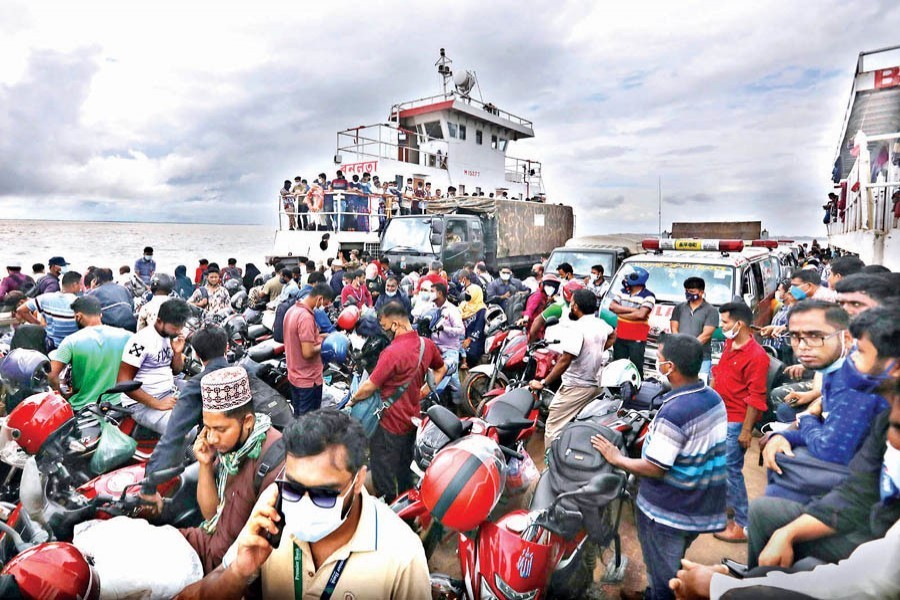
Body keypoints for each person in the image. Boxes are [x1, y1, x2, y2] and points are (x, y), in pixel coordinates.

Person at [175, 410, 430, 599]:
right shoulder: (272, 511)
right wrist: (239, 571)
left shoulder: (402, 554)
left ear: (358, 478)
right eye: (294, 488)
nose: (304, 504)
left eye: (323, 494)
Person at [593, 334, 727, 600]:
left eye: (660, 360)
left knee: (664, 575)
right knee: (670, 562)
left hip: (668, 512)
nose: (658, 364)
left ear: (672, 368)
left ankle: (658, 594)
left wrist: (616, 458)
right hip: (701, 502)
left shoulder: (674, 412)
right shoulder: (712, 397)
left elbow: (655, 467)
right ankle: (653, 592)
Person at [746, 382, 900, 574]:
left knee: (785, 466)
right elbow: (857, 493)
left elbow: (831, 446)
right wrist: (787, 533)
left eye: (860, 352)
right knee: (763, 511)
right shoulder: (885, 417)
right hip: (863, 510)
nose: (853, 359)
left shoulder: (868, 398)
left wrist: (808, 417)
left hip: (876, 540)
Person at [763, 305, 896, 500]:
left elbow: (831, 448)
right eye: (795, 337)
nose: (802, 346)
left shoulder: (854, 381)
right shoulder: (832, 371)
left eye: (815, 336)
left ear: (847, 339)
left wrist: (807, 419)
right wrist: (786, 436)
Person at [179, 366, 285, 575]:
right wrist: (205, 464)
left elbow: (262, 559)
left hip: (225, 570)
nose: (211, 438)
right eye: (207, 428)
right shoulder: (230, 451)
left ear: (247, 422)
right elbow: (211, 514)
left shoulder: (273, 467)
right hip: (205, 544)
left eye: (220, 429)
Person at [348, 302, 446, 501]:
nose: (384, 332)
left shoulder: (391, 353)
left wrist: (352, 400)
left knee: (383, 472)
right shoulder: (427, 345)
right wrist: (423, 392)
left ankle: (392, 506)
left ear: (395, 324)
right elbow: (441, 369)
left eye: (385, 327)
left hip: (388, 425)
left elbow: (370, 386)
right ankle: (407, 502)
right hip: (412, 420)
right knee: (404, 467)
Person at [143, 326, 232, 493]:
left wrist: (147, 487)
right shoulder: (243, 372)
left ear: (196, 354)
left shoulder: (198, 385)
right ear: (227, 347)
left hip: (227, 466)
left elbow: (173, 436)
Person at [711, 301, 769, 543]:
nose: (721, 326)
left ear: (740, 324)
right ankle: (728, 508)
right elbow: (719, 374)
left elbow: (756, 398)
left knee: (730, 470)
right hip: (721, 414)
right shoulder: (730, 343)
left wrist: (746, 431)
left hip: (736, 420)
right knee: (720, 467)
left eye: (724, 322)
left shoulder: (757, 356)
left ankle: (743, 524)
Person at [531, 289, 615, 445]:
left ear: (575, 306)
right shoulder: (601, 324)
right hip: (597, 384)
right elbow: (613, 335)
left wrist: (543, 383)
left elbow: (565, 360)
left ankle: (551, 464)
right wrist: (596, 350)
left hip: (576, 386)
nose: (571, 306)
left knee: (553, 425)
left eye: (572, 303)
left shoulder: (576, 329)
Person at [117, 298, 190, 434]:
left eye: (181, 327)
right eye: (175, 327)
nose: (178, 331)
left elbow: (176, 370)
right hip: (141, 404)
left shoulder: (170, 337)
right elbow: (123, 382)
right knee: (184, 430)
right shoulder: (140, 342)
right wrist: (157, 403)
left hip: (168, 392)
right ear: (159, 321)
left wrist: (177, 353)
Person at [47, 296, 132, 411]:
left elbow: (52, 375)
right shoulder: (126, 336)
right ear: (100, 314)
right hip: (118, 405)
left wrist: (64, 396)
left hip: (83, 407)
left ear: (78, 316)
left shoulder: (70, 341)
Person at [284, 283, 336, 416]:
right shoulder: (306, 317)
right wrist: (326, 345)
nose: (322, 307)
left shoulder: (292, 311)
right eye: (324, 303)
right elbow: (307, 352)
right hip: (308, 379)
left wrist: (322, 336)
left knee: (298, 417)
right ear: (319, 298)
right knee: (309, 423)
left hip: (294, 375)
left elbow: (299, 338)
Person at [17, 270, 83, 350]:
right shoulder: (80, 302)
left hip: (51, 346)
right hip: (73, 346)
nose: (81, 288)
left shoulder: (45, 298)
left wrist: (39, 325)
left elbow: (21, 310)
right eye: (80, 284)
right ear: (74, 285)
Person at [609, 266, 656, 377]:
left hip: (637, 338)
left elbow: (641, 314)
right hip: (620, 336)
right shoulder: (622, 292)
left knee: (636, 367)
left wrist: (620, 313)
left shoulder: (649, 296)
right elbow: (612, 306)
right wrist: (633, 310)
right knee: (618, 365)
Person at [670, 277, 719, 379]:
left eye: (692, 291)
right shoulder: (679, 308)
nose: (688, 294)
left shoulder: (711, 310)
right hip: (680, 357)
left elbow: (706, 335)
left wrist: (689, 349)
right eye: (687, 291)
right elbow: (674, 329)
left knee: (700, 387)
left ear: (701, 292)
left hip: (701, 358)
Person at [429, 282, 465, 402]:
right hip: (434, 349)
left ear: (439, 293)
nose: (430, 294)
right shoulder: (432, 308)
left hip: (449, 350)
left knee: (453, 378)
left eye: (432, 291)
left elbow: (460, 330)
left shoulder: (452, 310)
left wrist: (445, 329)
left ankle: (460, 405)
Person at [460, 279, 487, 368]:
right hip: (462, 337)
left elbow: (479, 328)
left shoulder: (482, 310)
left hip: (474, 340)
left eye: (469, 293)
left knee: (470, 354)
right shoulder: (464, 305)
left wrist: (469, 340)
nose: (467, 295)